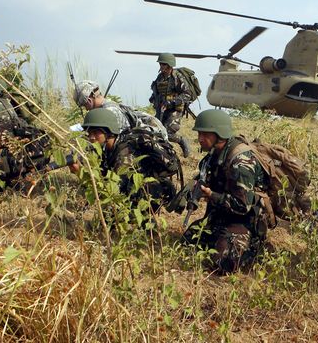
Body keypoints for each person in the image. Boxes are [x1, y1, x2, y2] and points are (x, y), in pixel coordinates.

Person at [183, 109, 269, 274]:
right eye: (199, 134)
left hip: (244, 220)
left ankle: (253, 246)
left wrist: (211, 195)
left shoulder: (241, 163)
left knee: (223, 264)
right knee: (188, 241)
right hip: (222, 214)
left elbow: (243, 207)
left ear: (219, 134)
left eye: (205, 134)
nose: (200, 139)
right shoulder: (213, 155)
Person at [69, 108, 181, 215]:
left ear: (109, 132)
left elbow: (114, 192)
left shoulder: (125, 153)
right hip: (138, 192)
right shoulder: (107, 148)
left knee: (112, 212)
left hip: (152, 195)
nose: (91, 137)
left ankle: (147, 224)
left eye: (96, 132)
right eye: (89, 133)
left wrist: (82, 174)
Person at [73, 80, 167, 139]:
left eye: (85, 106)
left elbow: (106, 139)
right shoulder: (110, 106)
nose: (86, 109)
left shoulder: (109, 112)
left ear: (89, 101)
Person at [149, 53, 194, 156]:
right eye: (160, 63)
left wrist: (172, 101)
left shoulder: (177, 77)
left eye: (163, 64)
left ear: (169, 64)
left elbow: (187, 94)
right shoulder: (160, 77)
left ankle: (182, 140)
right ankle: (163, 153)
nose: (161, 66)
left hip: (174, 110)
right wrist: (153, 98)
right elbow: (158, 90)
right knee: (156, 131)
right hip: (161, 109)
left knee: (168, 133)